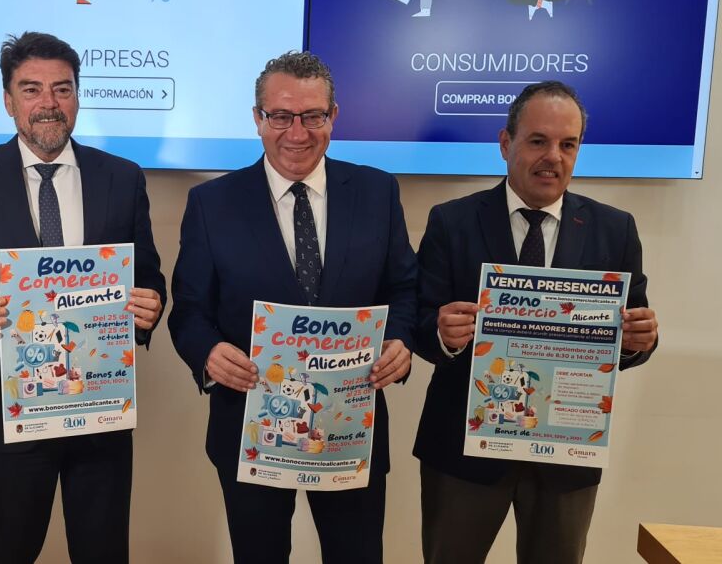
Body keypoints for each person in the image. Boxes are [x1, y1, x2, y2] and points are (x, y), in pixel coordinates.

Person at [0, 32, 166, 564]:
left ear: (77, 96)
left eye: (62, 89)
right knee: (9, 549)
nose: (48, 102)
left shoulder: (122, 178)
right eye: (31, 89)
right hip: (6, 410)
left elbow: (149, 277)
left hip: (98, 407)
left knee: (102, 553)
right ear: (9, 101)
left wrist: (150, 308)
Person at [168, 51, 417, 563]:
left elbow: (406, 289)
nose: (297, 133)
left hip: (350, 426)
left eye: (312, 116)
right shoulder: (212, 204)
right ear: (257, 118)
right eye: (281, 116)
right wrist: (209, 353)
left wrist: (403, 340)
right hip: (251, 427)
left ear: (334, 116)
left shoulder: (376, 191)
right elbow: (188, 310)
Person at [413, 81, 659, 564]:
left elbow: (632, 334)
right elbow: (418, 325)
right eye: (538, 141)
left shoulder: (615, 228)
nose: (553, 157)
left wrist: (637, 340)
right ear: (506, 143)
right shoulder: (451, 221)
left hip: (566, 456)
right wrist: (441, 334)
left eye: (568, 144)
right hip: (464, 452)